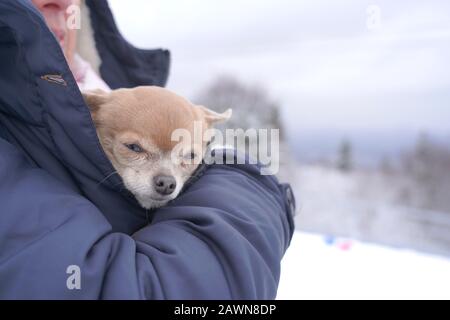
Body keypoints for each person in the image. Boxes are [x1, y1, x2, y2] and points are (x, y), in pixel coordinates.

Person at [0, 0, 295, 299]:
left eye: (189, 157)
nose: (166, 181)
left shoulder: (130, 93)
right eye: (135, 148)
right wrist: (252, 183)